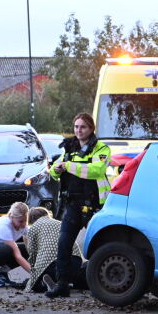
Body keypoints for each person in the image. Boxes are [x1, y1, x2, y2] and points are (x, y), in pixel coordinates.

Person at [45, 112, 111, 298]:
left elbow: (96, 170)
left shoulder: (101, 148)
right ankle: (62, 283)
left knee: (101, 244)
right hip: (73, 203)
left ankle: (102, 283)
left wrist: (68, 166)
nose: (78, 130)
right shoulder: (69, 148)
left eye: (82, 127)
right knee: (64, 243)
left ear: (91, 129)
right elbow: (53, 171)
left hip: (95, 204)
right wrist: (57, 169)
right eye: (76, 127)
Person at [24, 207, 84, 293]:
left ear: (31, 219)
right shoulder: (61, 223)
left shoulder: (33, 228)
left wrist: (34, 272)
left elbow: (32, 253)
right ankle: (67, 281)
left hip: (52, 267)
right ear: (46, 214)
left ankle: (46, 284)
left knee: (35, 283)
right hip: (75, 262)